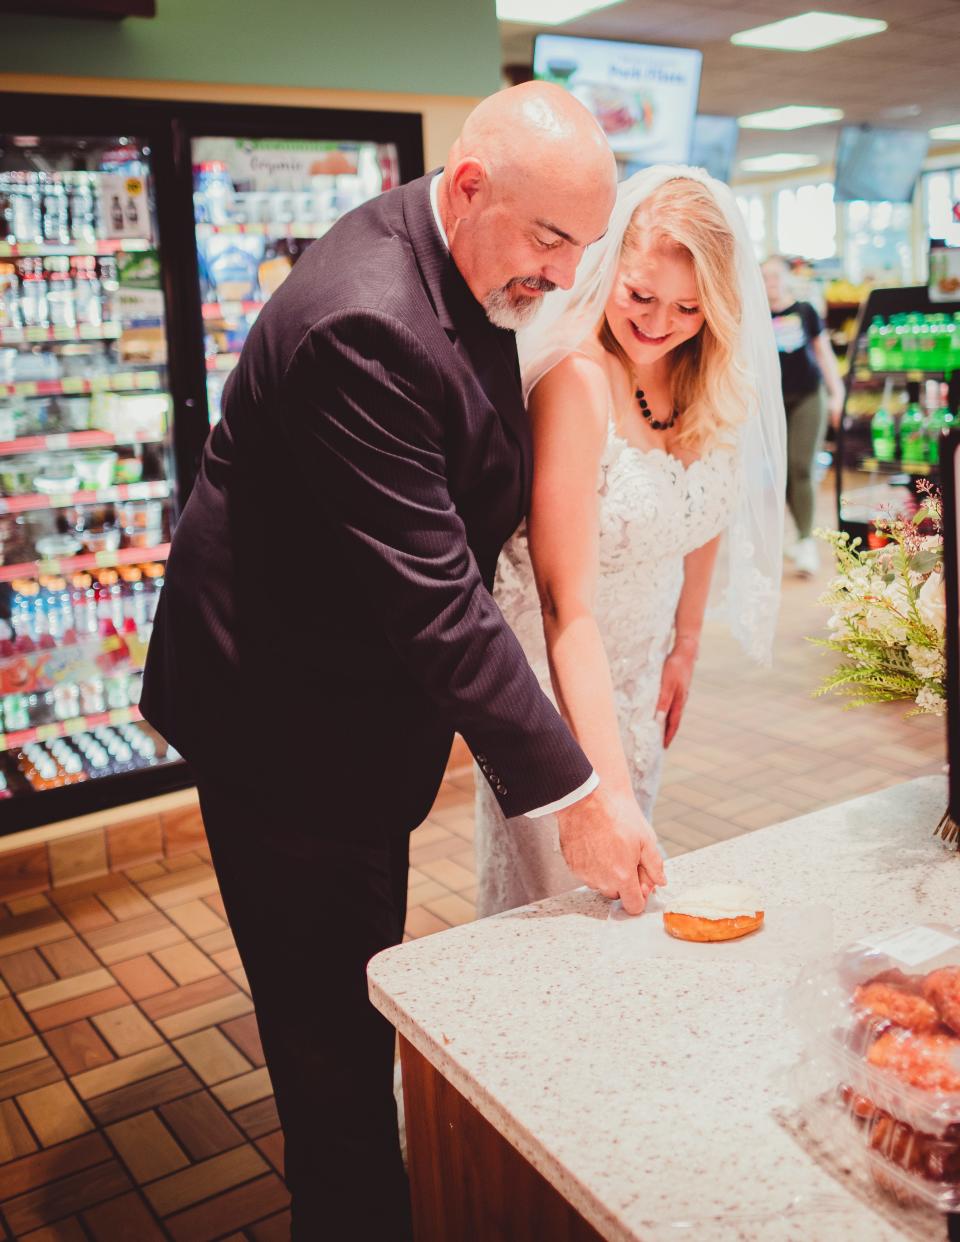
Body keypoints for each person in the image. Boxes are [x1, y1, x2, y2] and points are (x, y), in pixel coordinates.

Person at [140, 83, 666, 1240]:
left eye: (586, 245)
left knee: (361, 963)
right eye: (549, 240)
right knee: (330, 1036)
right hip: (284, 724)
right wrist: (580, 793)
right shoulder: (362, 321)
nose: (566, 276)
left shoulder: (459, 249)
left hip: (353, 704)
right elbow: (435, 599)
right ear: (470, 187)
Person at [475, 167, 785, 917]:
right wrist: (599, 788)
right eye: (640, 294)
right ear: (610, 265)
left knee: (625, 881)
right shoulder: (577, 379)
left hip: (644, 659)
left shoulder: (710, 377)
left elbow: (701, 518)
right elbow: (561, 600)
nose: (657, 322)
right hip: (555, 668)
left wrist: (684, 646)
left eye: (688, 307)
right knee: (563, 894)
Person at [762, 254, 845, 578]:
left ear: (786, 279)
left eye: (775, 276)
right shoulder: (754, 316)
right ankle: (797, 535)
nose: (771, 282)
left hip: (810, 396)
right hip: (772, 402)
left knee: (801, 466)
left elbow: (823, 353)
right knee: (781, 472)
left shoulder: (805, 311)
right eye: (765, 277)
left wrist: (838, 394)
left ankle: (806, 540)